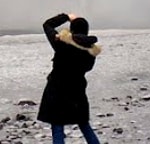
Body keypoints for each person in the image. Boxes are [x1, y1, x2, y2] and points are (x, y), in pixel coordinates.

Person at [38, 12, 102, 144]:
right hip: (77, 90)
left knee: (57, 126)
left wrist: (66, 16)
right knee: (84, 125)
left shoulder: (62, 43)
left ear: (72, 29)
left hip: (57, 91)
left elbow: (47, 25)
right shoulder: (91, 51)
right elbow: (88, 68)